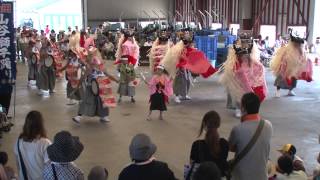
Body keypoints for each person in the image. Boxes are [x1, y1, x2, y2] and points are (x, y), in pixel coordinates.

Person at [220, 33, 267, 117]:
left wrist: (256, 66)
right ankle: (238, 108)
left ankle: (245, 108)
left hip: (246, 68)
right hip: (238, 68)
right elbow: (235, 59)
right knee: (238, 90)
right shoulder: (237, 46)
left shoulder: (250, 46)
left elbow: (250, 58)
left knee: (245, 90)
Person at [228, 93, 273, 180]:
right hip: (262, 176)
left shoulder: (238, 129)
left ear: (243, 108)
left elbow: (231, 148)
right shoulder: (268, 125)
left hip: (241, 176)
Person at [73, 47, 118, 124]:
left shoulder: (102, 67)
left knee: (103, 102)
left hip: (102, 86)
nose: (95, 63)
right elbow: (83, 77)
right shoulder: (90, 67)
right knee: (86, 100)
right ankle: (79, 116)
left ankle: (103, 116)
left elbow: (108, 75)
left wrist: (116, 80)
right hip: (91, 86)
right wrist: (77, 86)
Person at [189, 111, 229, 177]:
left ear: (204, 124)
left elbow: (192, 165)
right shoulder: (224, 144)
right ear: (218, 124)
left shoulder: (197, 145)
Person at [14, 111, 51, 180]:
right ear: (41, 125)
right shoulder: (45, 143)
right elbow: (50, 168)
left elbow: (18, 164)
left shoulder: (18, 142)